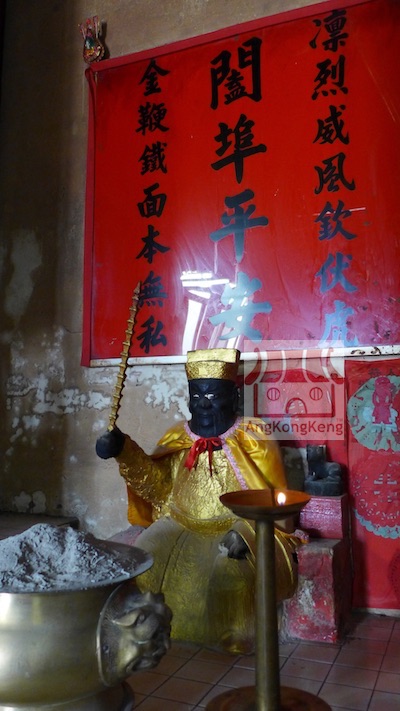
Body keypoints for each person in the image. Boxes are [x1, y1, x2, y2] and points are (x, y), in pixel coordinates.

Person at [96, 348, 300, 653]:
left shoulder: (253, 436)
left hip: (234, 526)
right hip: (178, 522)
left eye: (213, 396)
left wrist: (247, 532)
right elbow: (157, 488)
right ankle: (149, 632)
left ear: (233, 397)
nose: (203, 404)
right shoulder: (179, 435)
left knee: (230, 574)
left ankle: (233, 636)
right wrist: (123, 450)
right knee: (144, 560)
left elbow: (272, 500)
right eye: (197, 396)